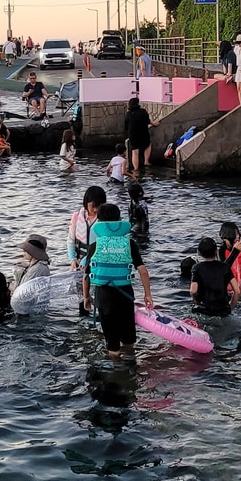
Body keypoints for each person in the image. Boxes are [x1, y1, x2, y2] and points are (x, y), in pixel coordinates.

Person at [80, 204, 153, 358]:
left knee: (112, 344)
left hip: (104, 295)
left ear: (99, 222)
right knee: (128, 340)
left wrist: (86, 297)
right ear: (119, 220)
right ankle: (130, 368)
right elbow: (143, 271)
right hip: (125, 294)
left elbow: (86, 276)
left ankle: (117, 372)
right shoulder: (129, 243)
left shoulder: (94, 246)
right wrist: (148, 295)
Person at [190, 237, 241, 317]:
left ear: (199, 253)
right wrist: (230, 306)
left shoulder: (196, 268)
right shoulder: (225, 267)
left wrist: (196, 301)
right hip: (222, 311)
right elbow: (237, 291)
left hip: (203, 311)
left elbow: (193, 291)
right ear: (215, 251)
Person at [123, 98, 158, 173]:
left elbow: (126, 125)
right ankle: (146, 161)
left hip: (132, 134)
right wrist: (154, 123)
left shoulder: (128, 114)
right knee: (147, 145)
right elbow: (147, 120)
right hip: (143, 132)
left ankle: (136, 169)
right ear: (137, 104)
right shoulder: (142, 111)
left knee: (135, 152)